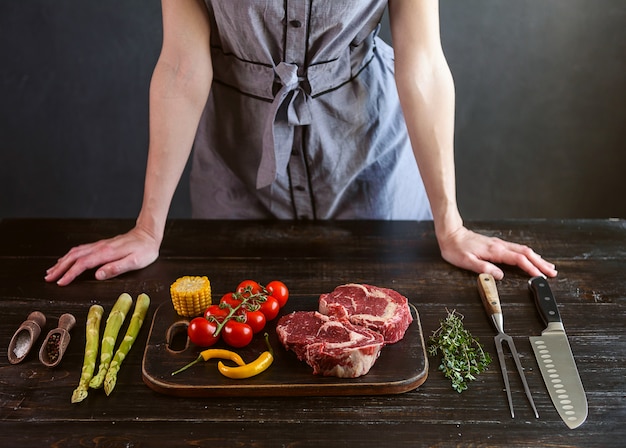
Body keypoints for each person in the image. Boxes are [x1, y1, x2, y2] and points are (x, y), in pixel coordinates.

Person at [45, 0, 557, 286]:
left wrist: (451, 225)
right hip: (234, 160)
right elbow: (181, 63)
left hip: (367, 150)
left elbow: (421, 60)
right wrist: (147, 228)